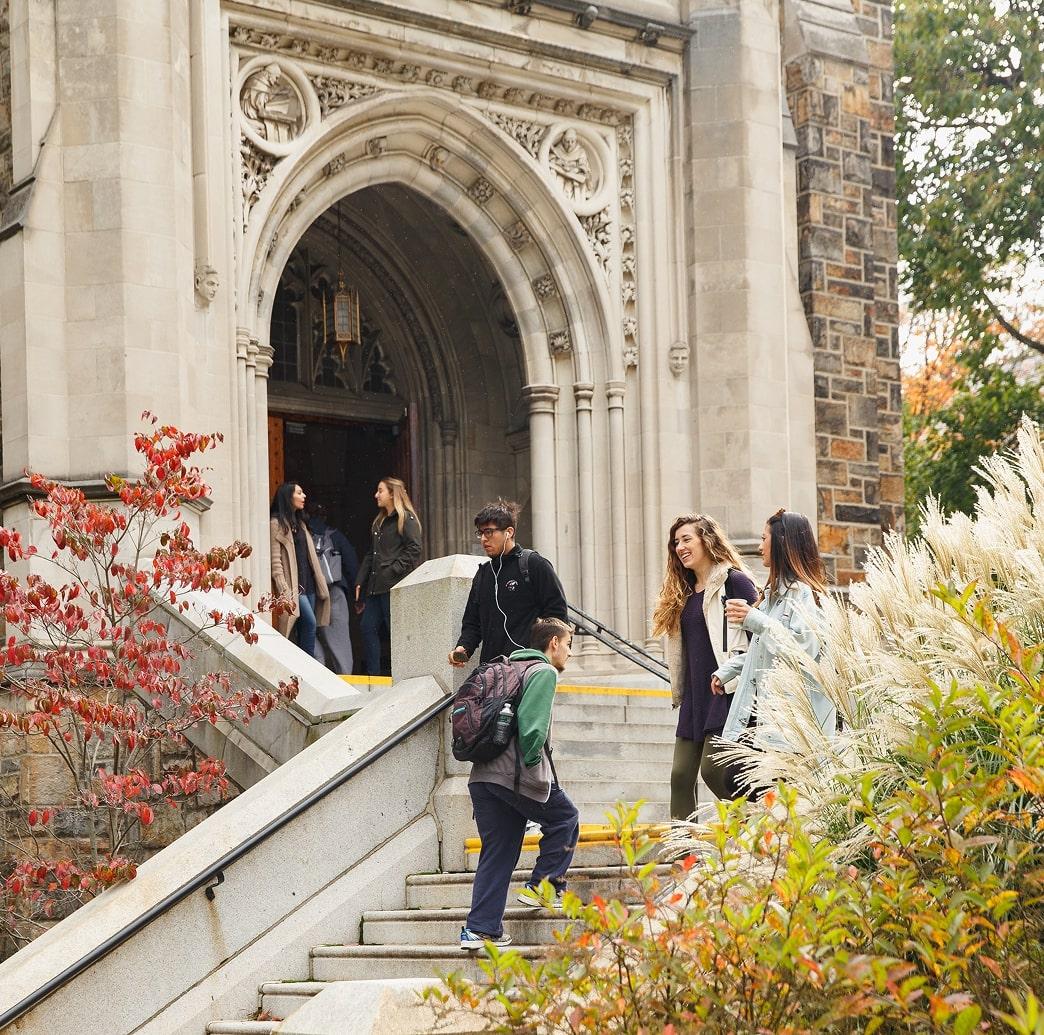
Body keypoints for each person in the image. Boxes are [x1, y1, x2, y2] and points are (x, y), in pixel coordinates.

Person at [460, 617, 579, 951]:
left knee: (498, 851)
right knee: (566, 818)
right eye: (568, 644)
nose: (569, 653)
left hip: (482, 777)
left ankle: (481, 930)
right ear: (553, 643)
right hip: (514, 775)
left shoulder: (505, 668)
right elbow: (531, 730)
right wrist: (534, 772)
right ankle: (544, 887)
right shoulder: (543, 672)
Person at [706, 508, 834, 800]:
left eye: (764, 538)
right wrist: (728, 670)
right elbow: (763, 650)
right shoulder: (774, 595)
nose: (760, 545)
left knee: (745, 782)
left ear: (781, 544)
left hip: (789, 720)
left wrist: (754, 619)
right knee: (738, 778)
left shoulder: (805, 594)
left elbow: (802, 649)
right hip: (766, 714)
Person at [652, 514, 758, 820]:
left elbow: (762, 635)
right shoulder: (681, 593)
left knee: (714, 771)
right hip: (695, 696)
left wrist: (739, 677)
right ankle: (683, 856)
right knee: (681, 777)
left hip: (725, 692)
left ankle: (765, 822)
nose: (680, 547)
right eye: (675, 542)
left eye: (687, 539)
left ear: (707, 540)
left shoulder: (734, 581)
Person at [449, 500, 568, 670]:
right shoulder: (483, 574)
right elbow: (472, 623)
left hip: (528, 669)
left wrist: (547, 663)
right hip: (492, 672)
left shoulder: (534, 564)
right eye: (480, 533)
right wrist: (463, 649)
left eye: (489, 532)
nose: (483, 539)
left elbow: (558, 614)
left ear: (509, 532)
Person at [354, 477, 422, 676]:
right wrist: (360, 580)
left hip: (394, 586)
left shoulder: (406, 519)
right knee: (368, 628)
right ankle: (374, 676)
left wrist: (392, 570)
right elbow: (371, 554)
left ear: (392, 493)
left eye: (380, 490)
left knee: (396, 631)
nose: (376, 495)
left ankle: (402, 674)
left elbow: (414, 549)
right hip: (376, 586)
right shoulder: (379, 522)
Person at [270, 482, 330, 656]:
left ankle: (301, 668)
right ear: (288, 497)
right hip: (293, 587)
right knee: (310, 623)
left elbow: (309, 557)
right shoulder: (276, 524)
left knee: (305, 628)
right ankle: (308, 665)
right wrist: (284, 590)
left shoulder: (301, 524)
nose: (304, 496)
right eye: (299, 493)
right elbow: (276, 562)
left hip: (309, 585)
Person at [306, 503, 359, 676]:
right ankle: (345, 678)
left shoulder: (303, 534)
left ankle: (319, 675)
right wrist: (359, 596)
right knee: (339, 639)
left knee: (309, 633)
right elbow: (352, 565)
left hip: (310, 593)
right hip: (334, 592)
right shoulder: (335, 536)